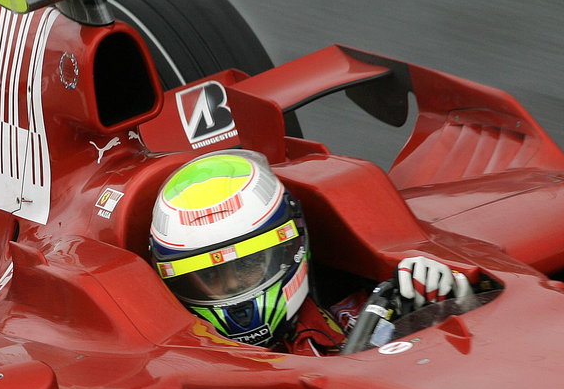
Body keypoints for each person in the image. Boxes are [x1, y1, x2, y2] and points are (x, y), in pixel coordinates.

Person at [147, 149, 471, 355]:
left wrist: (451, 304)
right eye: (210, 274)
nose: (232, 286)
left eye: (247, 264)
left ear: (291, 247)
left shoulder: (354, 314)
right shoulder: (179, 358)